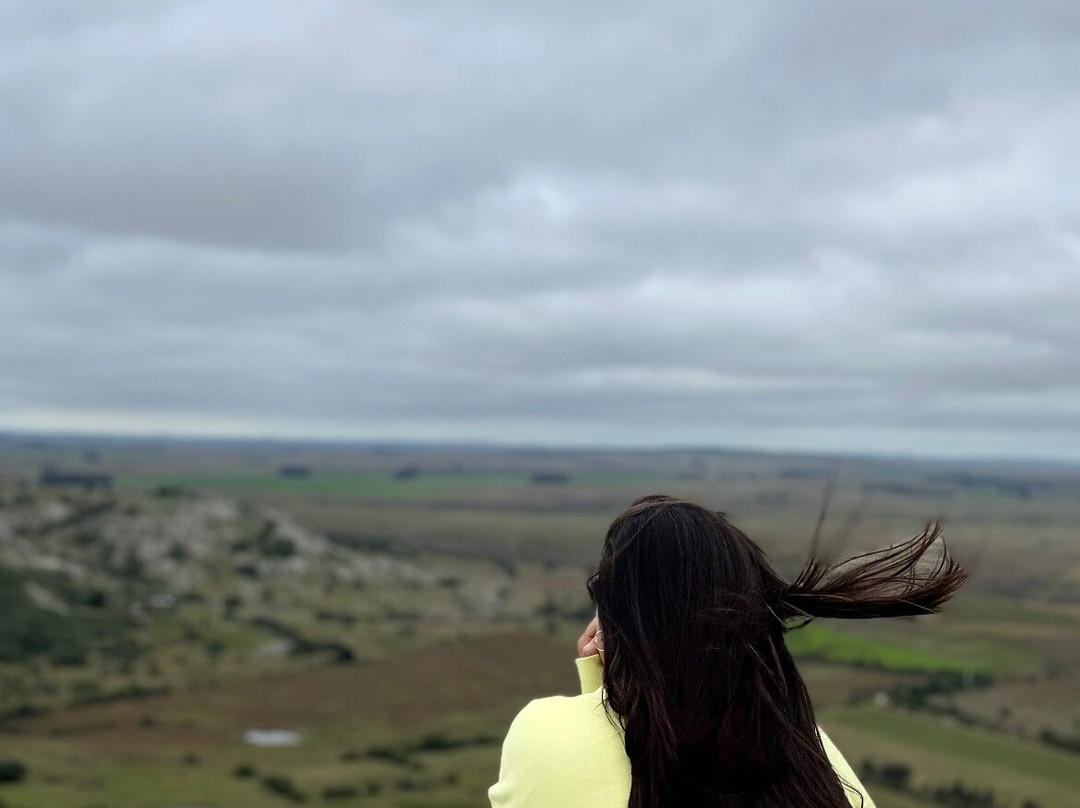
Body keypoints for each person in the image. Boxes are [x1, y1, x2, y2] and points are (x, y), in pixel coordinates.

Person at [489, 494, 967, 808]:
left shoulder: (541, 731)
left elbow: (584, 771)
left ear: (621, 620)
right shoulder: (806, 755)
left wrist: (601, 681)